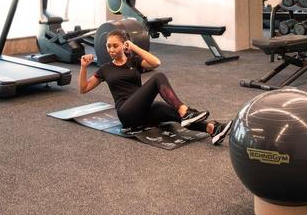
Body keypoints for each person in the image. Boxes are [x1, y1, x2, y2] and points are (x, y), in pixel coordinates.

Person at [79, 30, 232, 145]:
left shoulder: (134, 61)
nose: (111, 50)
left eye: (115, 46)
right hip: (127, 113)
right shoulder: (105, 69)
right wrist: (83, 67)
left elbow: (156, 62)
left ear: (124, 45)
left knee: (171, 112)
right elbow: (84, 88)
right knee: (158, 78)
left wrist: (133, 47)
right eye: (108, 46)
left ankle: (213, 129)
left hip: (143, 110)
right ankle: (185, 111)